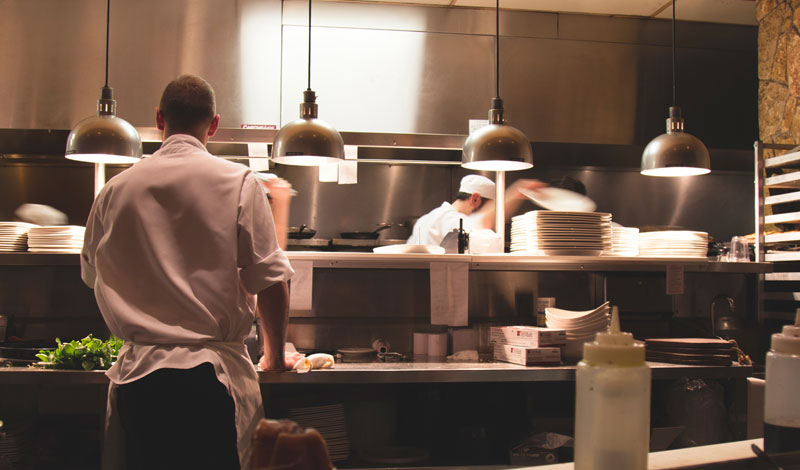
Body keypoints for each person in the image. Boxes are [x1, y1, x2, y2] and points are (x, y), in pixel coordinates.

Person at [80, 74, 294, 469]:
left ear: (160, 118)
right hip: (210, 383)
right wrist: (275, 356)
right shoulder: (239, 182)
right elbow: (270, 281)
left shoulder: (114, 189)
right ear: (213, 124)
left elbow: (94, 276)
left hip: (139, 383)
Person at [408, 174, 544, 246]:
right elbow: (482, 222)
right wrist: (518, 191)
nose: (493, 214)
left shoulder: (426, 218)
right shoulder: (449, 219)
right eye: (490, 207)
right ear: (475, 199)